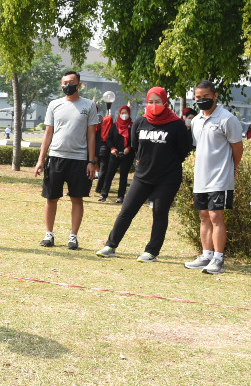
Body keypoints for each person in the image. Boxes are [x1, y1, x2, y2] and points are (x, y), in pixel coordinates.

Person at [96, 87, 193, 262]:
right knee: (126, 210)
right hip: (142, 176)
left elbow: (183, 150)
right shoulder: (141, 122)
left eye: (157, 102)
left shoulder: (176, 124)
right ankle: (111, 245)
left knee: (159, 212)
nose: (154, 105)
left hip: (168, 178)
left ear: (165, 102)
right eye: (150, 102)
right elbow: (135, 146)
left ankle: (152, 251)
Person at [183, 80, 244, 275]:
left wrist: (232, 169)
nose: (202, 101)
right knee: (204, 216)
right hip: (201, 177)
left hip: (220, 177)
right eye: (198, 98)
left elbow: (237, 148)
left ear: (215, 96)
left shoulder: (227, 119)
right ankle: (206, 255)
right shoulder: (195, 121)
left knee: (216, 216)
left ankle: (218, 259)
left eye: (206, 97)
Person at [34, 71, 100, 249]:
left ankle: (73, 236)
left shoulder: (88, 106)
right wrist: (41, 159)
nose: (67, 86)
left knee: (77, 198)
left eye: (71, 82)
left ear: (79, 85)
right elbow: (48, 133)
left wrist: (91, 161)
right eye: (64, 83)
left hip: (79, 159)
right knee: (51, 198)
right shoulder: (54, 105)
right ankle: (49, 234)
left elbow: (91, 134)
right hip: (56, 157)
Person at [96, 104, 133, 203]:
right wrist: (112, 148)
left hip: (127, 155)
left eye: (126, 113)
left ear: (129, 114)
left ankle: (120, 196)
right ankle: (103, 194)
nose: (124, 115)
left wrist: (129, 148)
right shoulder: (115, 125)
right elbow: (109, 138)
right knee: (109, 174)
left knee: (123, 176)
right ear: (119, 114)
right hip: (115, 154)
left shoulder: (132, 126)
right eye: (122, 113)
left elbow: (135, 141)